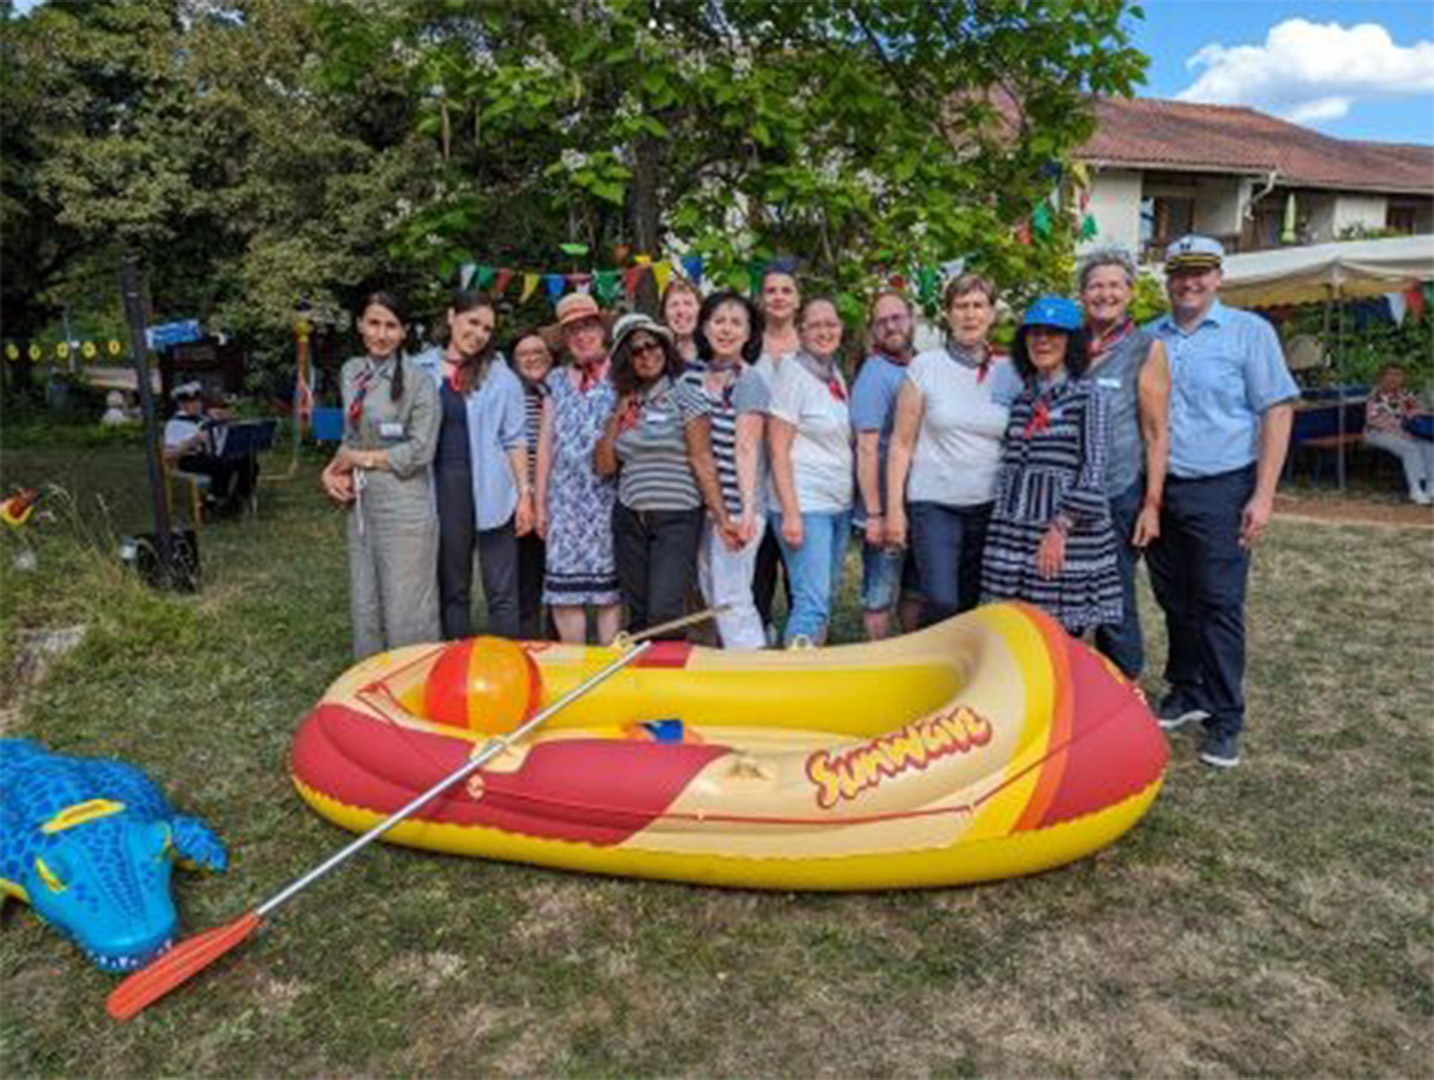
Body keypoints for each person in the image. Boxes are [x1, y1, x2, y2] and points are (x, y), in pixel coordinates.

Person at [1145, 235, 1298, 769]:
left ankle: (1225, 716)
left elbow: (1277, 412)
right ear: (1166, 279)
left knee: (1218, 603)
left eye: (1201, 273)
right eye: (1180, 273)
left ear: (1219, 277)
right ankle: (1186, 690)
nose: (1190, 282)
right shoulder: (1149, 338)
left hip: (1223, 484)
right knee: (1174, 598)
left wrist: (1263, 494)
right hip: (1162, 490)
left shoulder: (1248, 333)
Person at [980, 296, 1122, 636]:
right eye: (1034, 333)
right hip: (1013, 532)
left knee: (1057, 637)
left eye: (1053, 333)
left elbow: (1094, 469)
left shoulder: (1090, 396)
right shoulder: (1022, 400)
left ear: (1071, 341)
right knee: (1013, 630)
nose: (1042, 341)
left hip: (1063, 531)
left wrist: (1059, 530)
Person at [886, 274, 1020, 626]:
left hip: (989, 504)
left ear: (992, 314)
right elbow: (901, 444)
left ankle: (957, 676)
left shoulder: (1010, 371)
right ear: (948, 314)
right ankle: (925, 668)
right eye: (961, 306)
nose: (970, 315)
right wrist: (894, 511)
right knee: (942, 600)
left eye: (978, 306)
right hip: (934, 504)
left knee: (969, 603)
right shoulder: (924, 367)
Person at [595, 314, 731, 638]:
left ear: (665, 349)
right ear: (627, 361)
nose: (645, 354)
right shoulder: (623, 402)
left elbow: (701, 459)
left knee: (664, 613)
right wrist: (617, 416)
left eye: (651, 345)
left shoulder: (686, 394)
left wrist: (722, 517)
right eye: (636, 351)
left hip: (677, 516)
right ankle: (646, 685)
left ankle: (671, 678)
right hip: (629, 516)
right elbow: (604, 467)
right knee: (639, 613)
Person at [321, 292, 441, 659]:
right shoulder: (351, 371)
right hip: (362, 502)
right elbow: (351, 436)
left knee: (407, 607)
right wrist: (331, 472)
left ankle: (414, 684)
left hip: (405, 504)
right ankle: (370, 687)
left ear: (404, 332)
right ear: (360, 324)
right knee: (366, 600)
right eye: (374, 323)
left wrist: (357, 458)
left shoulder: (420, 381)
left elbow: (420, 451)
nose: (381, 333)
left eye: (391, 326)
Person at [413, 290, 532, 641]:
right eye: (473, 322)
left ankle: (509, 665)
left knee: (502, 591)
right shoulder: (419, 370)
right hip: (442, 493)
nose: (479, 333)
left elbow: (514, 439)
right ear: (452, 317)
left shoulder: (501, 376)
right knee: (454, 590)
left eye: (487, 328)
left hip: (494, 492)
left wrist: (524, 495)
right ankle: (456, 664)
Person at [1079, 247, 1172, 679]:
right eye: (1096, 285)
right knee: (1065, 594)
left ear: (1130, 293)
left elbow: (1155, 432)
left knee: (1112, 593)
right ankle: (1073, 687)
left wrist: (1151, 504)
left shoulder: (1145, 348)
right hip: (1069, 495)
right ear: (1083, 295)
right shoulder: (1068, 343)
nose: (1105, 293)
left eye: (1115, 285)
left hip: (1118, 492)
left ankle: (1123, 688)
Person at [684, 290, 771, 649]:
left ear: (749, 334)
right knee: (712, 591)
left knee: (732, 597)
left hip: (738, 507)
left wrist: (748, 512)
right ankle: (733, 664)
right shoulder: (692, 379)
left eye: (736, 323)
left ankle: (754, 676)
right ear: (704, 327)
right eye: (719, 320)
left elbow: (747, 447)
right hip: (706, 507)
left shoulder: (749, 380)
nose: (726, 329)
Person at [767, 297, 853, 646]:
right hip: (805, 504)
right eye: (816, 325)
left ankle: (816, 669)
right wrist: (790, 513)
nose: (824, 331)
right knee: (812, 603)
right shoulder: (792, 373)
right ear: (801, 332)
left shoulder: (833, 374)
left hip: (837, 505)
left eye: (831, 324)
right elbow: (777, 447)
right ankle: (792, 684)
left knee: (824, 598)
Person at [537, 292, 623, 645]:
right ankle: (575, 667)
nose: (582, 336)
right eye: (573, 331)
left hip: (608, 497)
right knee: (565, 592)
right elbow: (545, 443)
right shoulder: (555, 380)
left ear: (602, 331)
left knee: (609, 593)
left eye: (588, 327)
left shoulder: (621, 375)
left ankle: (609, 669)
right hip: (565, 500)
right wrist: (540, 502)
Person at [851, 291, 923, 640]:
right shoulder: (875, 374)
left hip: (920, 501)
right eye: (882, 321)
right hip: (882, 505)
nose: (891, 326)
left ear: (911, 319)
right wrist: (875, 514)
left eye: (897, 317)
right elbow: (866, 449)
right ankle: (877, 657)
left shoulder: (921, 365)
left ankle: (911, 655)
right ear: (873, 330)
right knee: (880, 594)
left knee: (914, 589)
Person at [752, 261, 802, 640]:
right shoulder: (749, 345)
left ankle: (801, 636)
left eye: (786, 290)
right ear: (761, 298)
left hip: (798, 469)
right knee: (759, 561)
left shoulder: (811, 344)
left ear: (797, 299)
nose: (779, 297)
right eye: (771, 291)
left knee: (799, 562)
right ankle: (760, 630)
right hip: (755, 470)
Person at [509, 330, 556, 638]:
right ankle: (525, 638)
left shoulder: (561, 390)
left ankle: (557, 639)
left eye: (538, 351)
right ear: (514, 363)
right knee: (526, 573)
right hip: (521, 495)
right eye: (524, 354)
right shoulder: (510, 395)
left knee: (557, 576)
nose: (532, 358)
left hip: (558, 495)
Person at [163, 382, 257, 513]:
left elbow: (233, 423)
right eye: (191, 402)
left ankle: (239, 498)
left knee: (247, 459)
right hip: (189, 459)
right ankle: (215, 500)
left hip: (210, 455)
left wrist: (227, 417)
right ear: (181, 404)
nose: (197, 405)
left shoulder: (204, 418)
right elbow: (169, 455)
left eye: (198, 401)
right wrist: (193, 441)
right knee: (222, 464)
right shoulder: (175, 424)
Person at [1364, 363, 1433, 505]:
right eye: (1391, 374)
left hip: (1404, 431)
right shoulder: (1376, 394)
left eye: (1398, 375)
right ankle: (1415, 489)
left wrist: (1422, 412)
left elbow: (1414, 411)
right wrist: (1399, 432)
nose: (1394, 379)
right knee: (1410, 448)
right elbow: (1372, 421)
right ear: (1382, 377)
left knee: (1428, 445)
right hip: (1377, 432)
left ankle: (1431, 487)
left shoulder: (1405, 394)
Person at [661, 278, 703, 371]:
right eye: (674, 305)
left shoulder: (717, 355)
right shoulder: (659, 360)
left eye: (688, 304)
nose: (681, 311)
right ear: (664, 314)